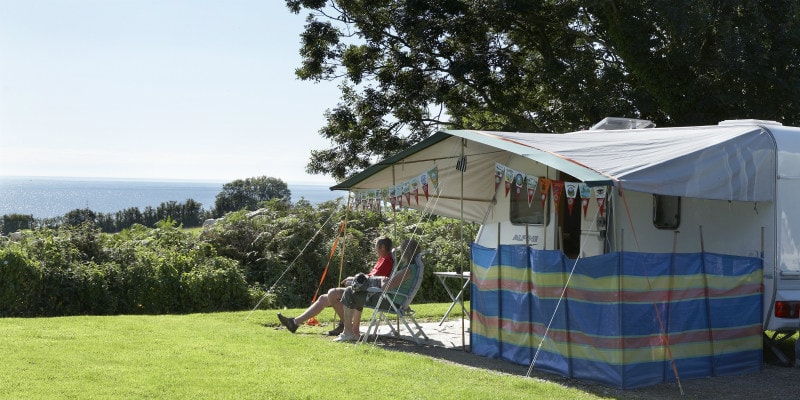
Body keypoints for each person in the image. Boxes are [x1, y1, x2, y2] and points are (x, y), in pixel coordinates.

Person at [277, 236, 393, 334]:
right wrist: (354, 279)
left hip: (369, 293)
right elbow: (370, 277)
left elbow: (375, 280)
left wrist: (353, 280)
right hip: (364, 290)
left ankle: (347, 326)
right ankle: (294, 323)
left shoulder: (387, 260)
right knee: (323, 298)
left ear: (382, 247)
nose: (375, 249)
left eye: (376, 247)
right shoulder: (382, 260)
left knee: (333, 293)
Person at [333, 239, 420, 342]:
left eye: (402, 251)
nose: (400, 254)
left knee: (349, 292)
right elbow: (390, 283)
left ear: (406, 252)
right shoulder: (413, 268)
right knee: (355, 293)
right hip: (394, 300)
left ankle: (348, 332)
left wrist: (382, 281)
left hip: (391, 302)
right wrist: (384, 280)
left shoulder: (407, 270)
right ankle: (353, 331)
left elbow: (385, 287)